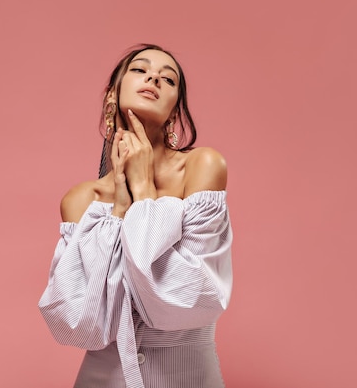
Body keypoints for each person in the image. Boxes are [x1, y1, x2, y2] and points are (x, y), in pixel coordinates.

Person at [38, 44, 233, 388]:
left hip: (188, 378)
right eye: (140, 70)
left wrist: (144, 191)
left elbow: (187, 300)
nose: (154, 77)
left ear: (175, 110)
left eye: (168, 78)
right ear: (112, 94)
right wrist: (119, 211)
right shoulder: (82, 199)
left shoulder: (202, 166)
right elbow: (81, 324)